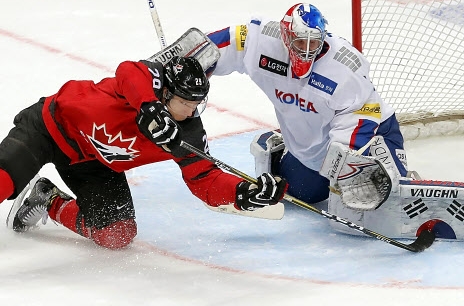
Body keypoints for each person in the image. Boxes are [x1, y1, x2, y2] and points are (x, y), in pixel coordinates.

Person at [200, 2, 464, 249]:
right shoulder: (262, 40)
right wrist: (184, 67)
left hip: (368, 141)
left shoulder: (344, 66)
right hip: (310, 154)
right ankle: (295, 159)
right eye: (299, 43)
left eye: (312, 43)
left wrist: (345, 169)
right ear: (286, 37)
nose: (305, 50)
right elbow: (223, 42)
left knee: (363, 220)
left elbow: (362, 118)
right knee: (300, 194)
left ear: (323, 38)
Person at [0, 55, 287, 249]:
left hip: (94, 164)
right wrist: (149, 107)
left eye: (197, 104)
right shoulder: (146, 85)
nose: (190, 111)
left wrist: (243, 193)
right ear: (165, 92)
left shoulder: (186, 133)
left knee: (117, 234)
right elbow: (128, 70)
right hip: (48, 128)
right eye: (184, 102)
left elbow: (206, 180)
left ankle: (47, 199)